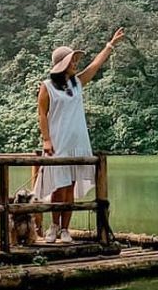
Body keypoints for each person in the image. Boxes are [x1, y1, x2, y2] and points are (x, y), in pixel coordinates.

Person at [35, 29, 124, 244]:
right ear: (61, 64)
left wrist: (110, 45)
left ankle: (66, 229)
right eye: (72, 60)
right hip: (58, 143)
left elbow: (94, 66)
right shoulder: (47, 87)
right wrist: (46, 140)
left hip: (78, 143)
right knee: (59, 187)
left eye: (75, 60)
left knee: (71, 186)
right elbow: (42, 114)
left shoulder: (77, 83)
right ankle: (54, 227)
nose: (75, 63)